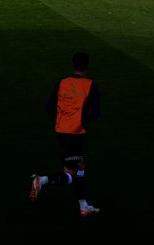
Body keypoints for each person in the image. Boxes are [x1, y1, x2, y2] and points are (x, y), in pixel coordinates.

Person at [28, 51, 100, 217]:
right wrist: (82, 121)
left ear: (73, 64)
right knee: (73, 172)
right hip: (75, 133)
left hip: (61, 131)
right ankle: (42, 180)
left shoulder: (62, 82)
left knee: (77, 167)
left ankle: (83, 205)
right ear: (87, 65)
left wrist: (59, 120)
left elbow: (48, 106)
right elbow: (96, 113)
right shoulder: (90, 85)